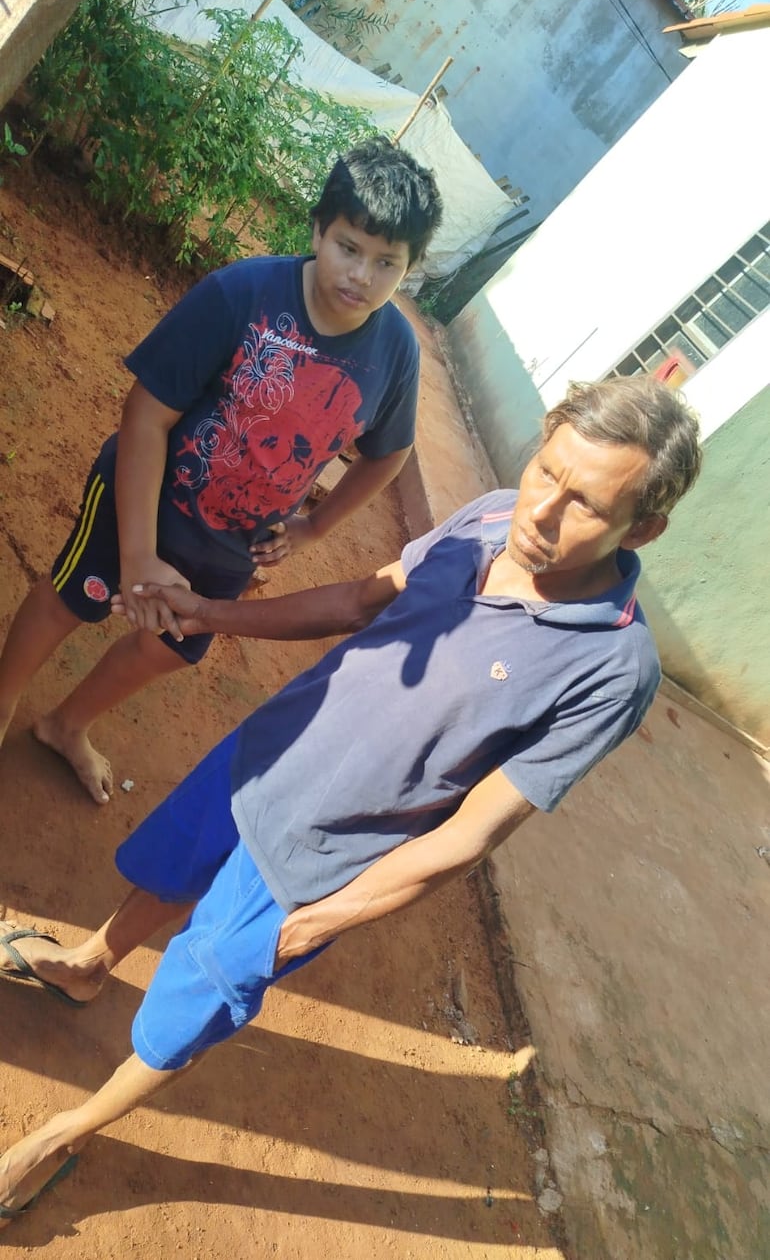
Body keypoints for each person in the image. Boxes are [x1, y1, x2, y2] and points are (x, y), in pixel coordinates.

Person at [0, 377, 702, 1226]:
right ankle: (88, 966)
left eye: (584, 503)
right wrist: (210, 612)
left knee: (195, 1002)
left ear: (644, 528)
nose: (541, 513)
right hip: (268, 753)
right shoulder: (488, 515)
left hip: (318, 859)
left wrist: (312, 925)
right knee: (168, 870)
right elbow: (359, 599)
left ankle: (67, 1133)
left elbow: (474, 831)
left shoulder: (613, 669)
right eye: (545, 471)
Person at [0, 138, 442, 803]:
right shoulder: (242, 293)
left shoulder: (397, 352)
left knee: (171, 645)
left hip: (235, 545)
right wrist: (139, 555)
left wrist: (316, 526)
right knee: (73, 596)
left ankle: (67, 725)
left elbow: (390, 453)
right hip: (143, 502)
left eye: (387, 263)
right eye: (348, 247)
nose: (361, 276)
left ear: (409, 268)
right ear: (318, 230)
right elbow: (145, 416)